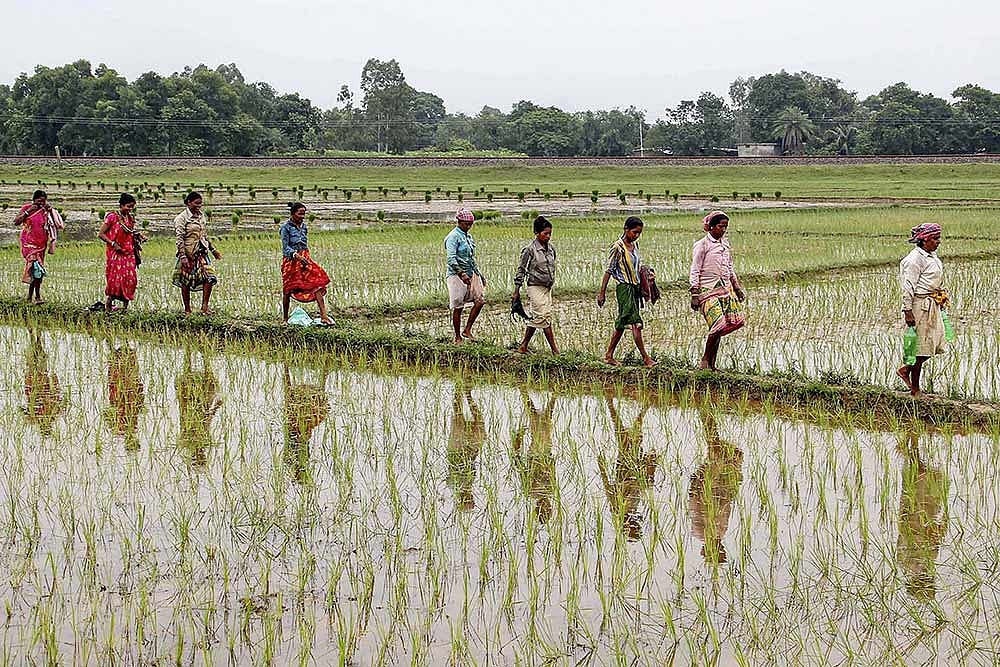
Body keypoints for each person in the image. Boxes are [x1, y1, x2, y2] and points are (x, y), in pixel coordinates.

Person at [690, 210, 746, 370]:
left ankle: (712, 365)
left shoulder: (725, 244)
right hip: (707, 291)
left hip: (724, 290)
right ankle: (705, 361)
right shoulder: (702, 245)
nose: (724, 230)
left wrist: (736, 287)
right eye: (721, 226)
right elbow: (695, 269)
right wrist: (694, 293)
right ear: (712, 227)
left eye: (726, 227)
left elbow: (729, 267)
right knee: (718, 324)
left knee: (720, 327)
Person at [896, 429, 948, 602]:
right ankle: (912, 437)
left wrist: (936, 527)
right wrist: (939, 527)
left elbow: (909, 536)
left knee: (918, 477)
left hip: (916, 517)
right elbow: (933, 539)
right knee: (920, 477)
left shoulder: (909, 562)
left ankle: (912, 437)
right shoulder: (922, 562)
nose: (929, 576)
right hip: (920, 516)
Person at [598, 392, 657, 541]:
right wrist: (650, 464)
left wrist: (602, 468)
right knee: (631, 435)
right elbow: (639, 486)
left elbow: (609, 487)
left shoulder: (618, 508)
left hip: (625, 467)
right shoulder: (631, 509)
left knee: (622, 433)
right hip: (632, 467)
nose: (634, 524)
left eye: (632, 527)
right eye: (634, 527)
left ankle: (611, 402)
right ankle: (643, 406)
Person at [897, 223, 947, 397]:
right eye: (935, 238)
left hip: (931, 303)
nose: (938, 242)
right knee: (920, 349)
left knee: (933, 345)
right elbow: (908, 287)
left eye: (938, 238)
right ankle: (915, 389)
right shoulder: (914, 260)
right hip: (919, 306)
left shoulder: (931, 255)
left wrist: (940, 295)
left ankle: (905, 370)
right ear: (924, 240)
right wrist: (908, 311)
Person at [688, 410, 744, 565]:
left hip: (707, 487)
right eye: (721, 551)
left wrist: (702, 483)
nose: (721, 549)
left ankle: (706, 414)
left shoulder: (704, 533)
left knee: (717, 450)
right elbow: (725, 508)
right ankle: (707, 414)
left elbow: (698, 507)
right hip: (715, 487)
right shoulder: (718, 534)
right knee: (723, 451)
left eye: (719, 552)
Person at [597, 216, 655, 367]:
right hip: (624, 288)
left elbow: (637, 266)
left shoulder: (635, 247)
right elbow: (609, 270)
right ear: (626, 229)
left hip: (634, 288)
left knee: (622, 322)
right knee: (636, 323)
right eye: (634, 232)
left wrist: (646, 274)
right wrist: (602, 292)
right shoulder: (617, 247)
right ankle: (646, 358)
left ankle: (609, 355)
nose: (636, 236)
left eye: (639, 233)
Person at [279, 202, 333, 325]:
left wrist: (304, 257)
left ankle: (324, 315)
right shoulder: (285, 228)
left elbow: (304, 244)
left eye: (304, 214)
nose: (302, 216)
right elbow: (285, 248)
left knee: (317, 282)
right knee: (288, 289)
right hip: (291, 261)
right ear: (292, 214)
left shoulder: (304, 227)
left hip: (305, 259)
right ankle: (285, 319)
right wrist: (296, 256)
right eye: (300, 214)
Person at [512, 216, 558, 354]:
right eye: (545, 233)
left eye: (550, 233)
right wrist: (516, 291)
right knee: (543, 316)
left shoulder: (551, 249)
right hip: (534, 286)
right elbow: (521, 270)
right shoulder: (530, 250)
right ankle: (555, 350)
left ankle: (523, 346)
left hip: (547, 287)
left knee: (542, 316)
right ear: (537, 233)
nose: (548, 236)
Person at [510, 388, 557, 523]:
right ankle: (553, 396)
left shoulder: (532, 492)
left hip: (536, 455)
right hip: (545, 454)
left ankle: (527, 392)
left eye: (546, 508)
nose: (548, 505)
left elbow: (522, 471)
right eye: (549, 508)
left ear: (539, 507)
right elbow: (551, 472)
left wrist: (516, 450)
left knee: (538, 421)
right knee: (545, 421)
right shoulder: (549, 492)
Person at [172, 191, 222, 315]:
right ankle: (187, 309)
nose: (199, 206)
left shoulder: (201, 216)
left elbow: (203, 235)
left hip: (201, 252)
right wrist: (183, 256)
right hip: (188, 253)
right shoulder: (181, 218)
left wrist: (213, 249)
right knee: (186, 281)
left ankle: (204, 307)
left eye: (201, 203)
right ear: (189, 203)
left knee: (210, 277)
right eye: (196, 203)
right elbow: (179, 238)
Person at [282, 363, 330, 484]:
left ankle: (286, 364)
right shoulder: (291, 460)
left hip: (297, 427)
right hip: (298, 429)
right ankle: (286, 365)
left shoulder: (290, 460)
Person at [445, 208, 486, 343]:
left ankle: (467, 329)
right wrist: (461, 273)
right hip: (456, 275)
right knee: (458, 305)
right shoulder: (453, 237)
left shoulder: (468, 237)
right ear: (459, 222)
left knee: (480, 300)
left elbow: (471, 258)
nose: (468, 227)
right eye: (466, 224)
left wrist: (479, 274)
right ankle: (457, 336)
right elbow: (451, 259)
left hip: (471, 272)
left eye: (470, 224)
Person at [98, 193, 144, 312]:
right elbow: (101, 234)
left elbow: (130, 233)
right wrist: (113, 244)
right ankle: (109, 304)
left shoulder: (130, 218)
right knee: (115, 279)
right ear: (121, 205)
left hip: (128, 253)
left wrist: (138, 236)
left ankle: (125, 308)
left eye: (132, 207)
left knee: (130, 278)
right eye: (128, 206)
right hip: (116, 253)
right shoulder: (112, 217)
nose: (130, 209)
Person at [176, 348, 222, 467]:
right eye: (202, 457)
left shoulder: (188, 442)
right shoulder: (198, 442)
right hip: (197, 408)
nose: (201, 454)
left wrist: (216, 406)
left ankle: (191, 351)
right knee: (207, 383)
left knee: (190, 379)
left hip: (191, 408)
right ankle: (201, 354)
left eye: (200, 457)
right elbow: (206, 421)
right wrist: (216, 406)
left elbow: (186, 419)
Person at [14, 190, 58, 304]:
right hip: (29, 244)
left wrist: (51, 211)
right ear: (34, 200)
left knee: (38, 270)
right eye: (39, 201)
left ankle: (30, 297)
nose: (41, 204)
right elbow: (16, 222)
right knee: (35, 268)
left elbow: (56, 224)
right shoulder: (26, 208)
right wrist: (28, 212)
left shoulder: (46, 211)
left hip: (41, 245)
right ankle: (36, 296)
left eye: (43, 201)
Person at [446, 383, 485, 512]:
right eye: (471, 499)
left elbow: (457, 464)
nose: (471, 497)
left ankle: (461, 390)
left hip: (458, 448)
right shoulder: (466, 484)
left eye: (469, 500)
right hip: (468, 449)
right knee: (477, 422)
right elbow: (472, 463)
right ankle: (467, 394)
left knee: (459, 416)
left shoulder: (454, 485)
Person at [102, 345, 146, 451]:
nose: (133, 438)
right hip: (124, 395)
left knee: (119, 373)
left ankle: (112, 343)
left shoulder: (118, 430)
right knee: (120, 373)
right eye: (134, 441)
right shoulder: (131, 428)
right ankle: (111, 342)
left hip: (123, 395)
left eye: (132, 441)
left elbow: (107, 415)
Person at [22, 328, 64, 437]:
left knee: (35, 360)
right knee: (38, 359)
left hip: (35, 383)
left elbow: (58, 398)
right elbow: (57, 397)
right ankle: (35, 335)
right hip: (38, 382)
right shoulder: (52, 415)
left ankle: (33, 334)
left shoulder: (35, 418)